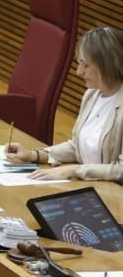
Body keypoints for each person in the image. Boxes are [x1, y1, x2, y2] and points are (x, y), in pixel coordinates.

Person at [7, 25, 123, 182]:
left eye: (85, 65)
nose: (79, 72)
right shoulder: (92, 94)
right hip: (90, 187)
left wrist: (74, 170)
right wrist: (35, 155)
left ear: (107, 65)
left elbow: (120, 170)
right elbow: (77, 147)